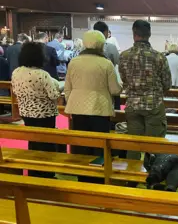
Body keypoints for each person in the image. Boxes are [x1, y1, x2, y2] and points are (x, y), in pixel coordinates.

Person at [65, 30, 122, 183]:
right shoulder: (105, 63)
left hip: (77, 108)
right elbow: (115, 89)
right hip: (99, 107)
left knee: (81, 144)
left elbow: (67, 88)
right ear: (101, 44)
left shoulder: (74, 61)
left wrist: (70, 103)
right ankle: (97, 177)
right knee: (99, 144)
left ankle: (82, 176)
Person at [119, 20, 171, 162]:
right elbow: (167, 83)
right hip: (153, 105)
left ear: (134, 34)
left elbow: (124, 80)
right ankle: (153, 177)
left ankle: (131, 178)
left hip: (133, 105)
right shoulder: (159, 56)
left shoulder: (124, 56)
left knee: (133, 146)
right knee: (154, 146)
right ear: (149, 34)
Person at [11, 42, 61, 179]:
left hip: (26, 112)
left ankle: (33, 171)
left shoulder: (17, 72)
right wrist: (59, 88)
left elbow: (15, 90)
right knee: (46, 144)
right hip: (44, 114)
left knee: (33, 142)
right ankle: (47, 173)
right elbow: (53, 95)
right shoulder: (42, 74)